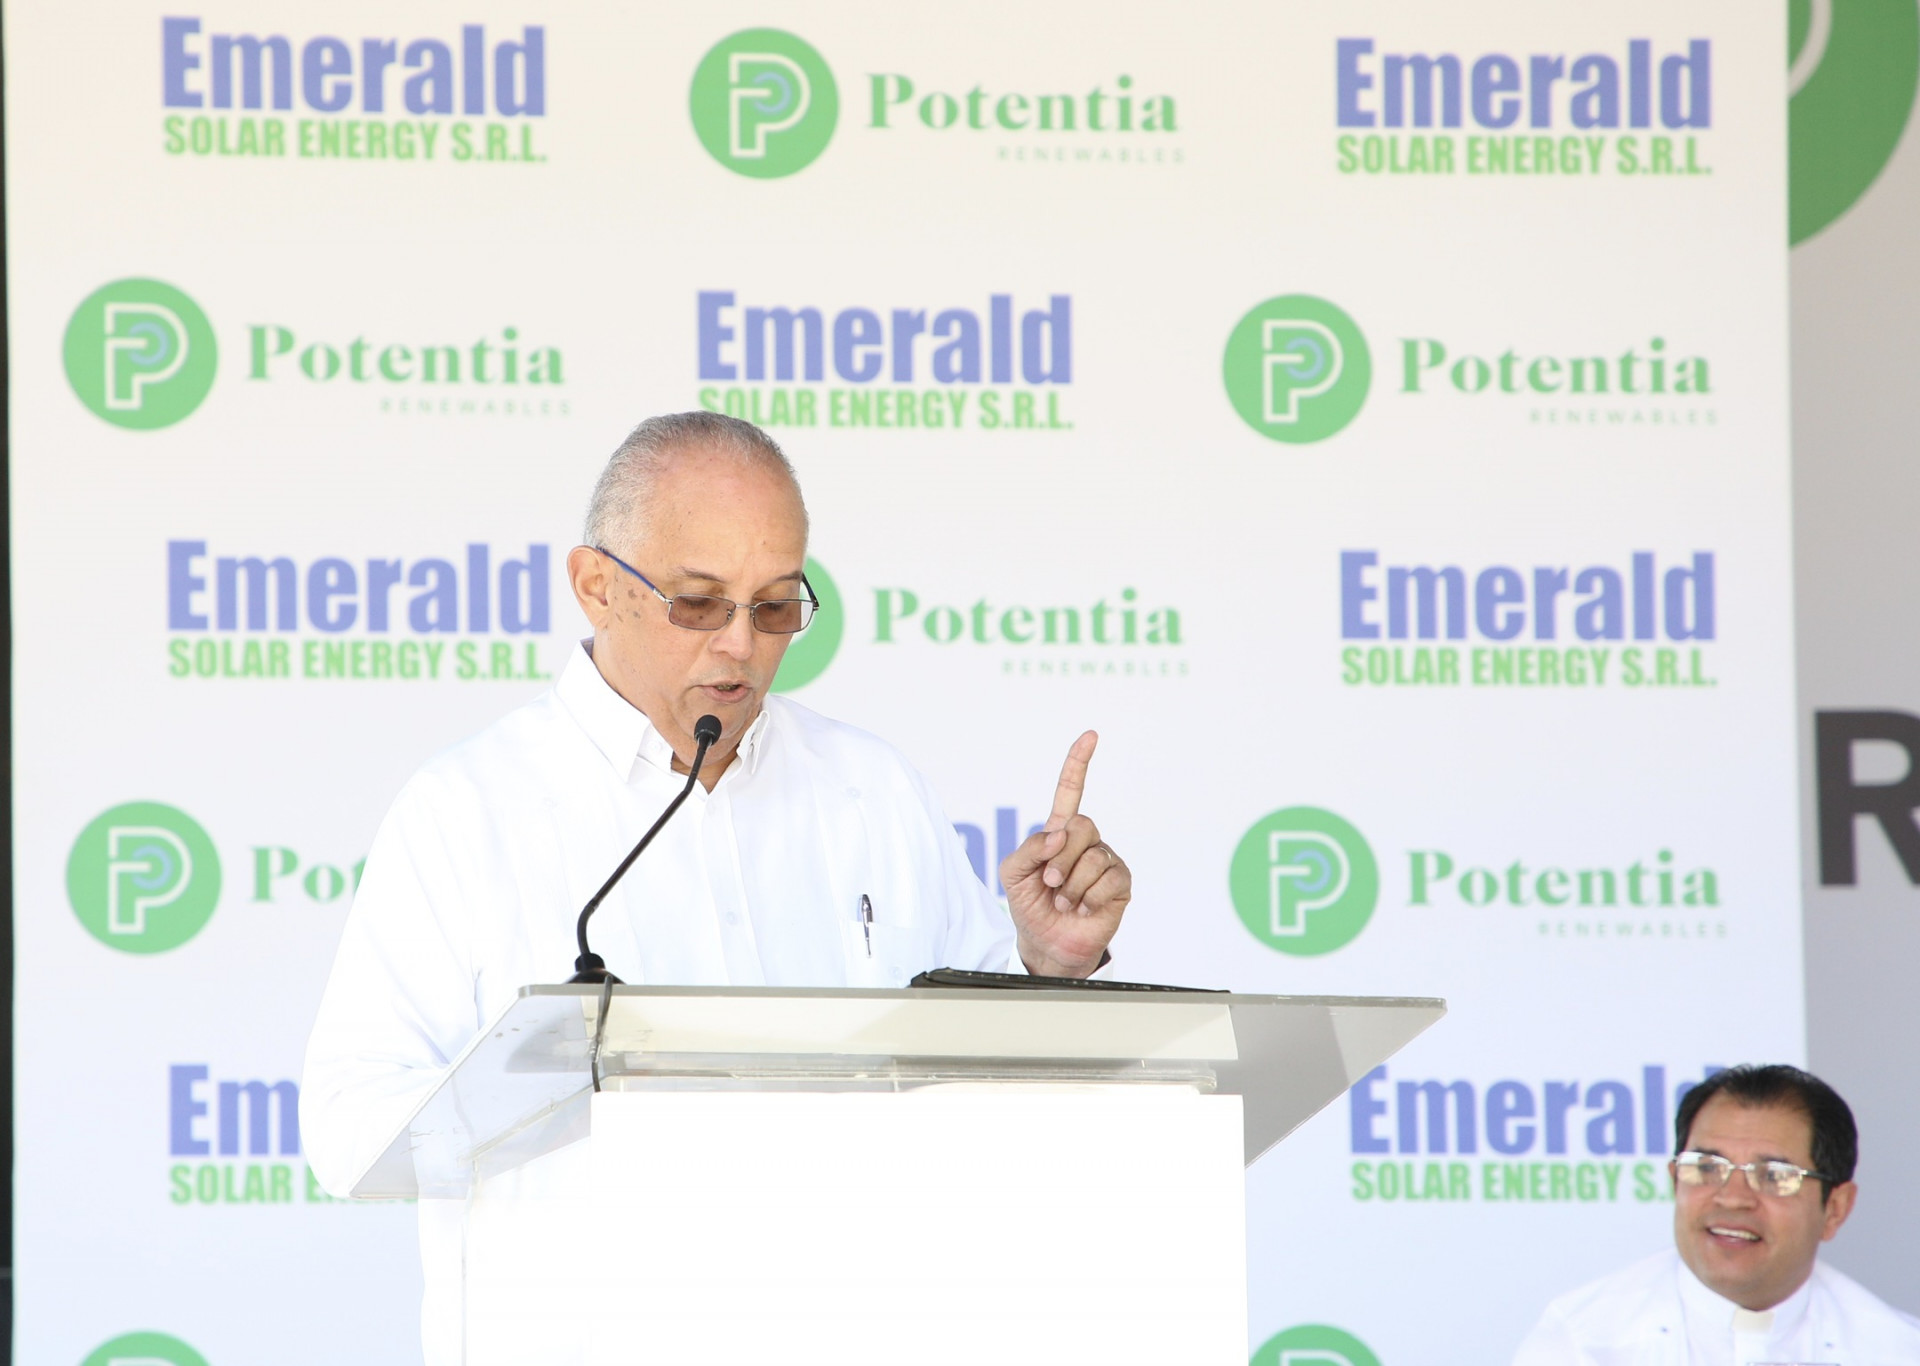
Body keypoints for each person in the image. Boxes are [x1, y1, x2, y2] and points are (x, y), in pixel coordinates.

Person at [300, 412, 1133, 1361]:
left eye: (774, 607)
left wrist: (1047, 967)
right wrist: (548, 1077)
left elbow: (995, 1076)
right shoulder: (468, 808)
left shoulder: (871, 788)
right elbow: (347, 1130)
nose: (740, 644)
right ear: (597, 586)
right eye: (699, 603)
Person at [1513, 1064, 1920, 1365]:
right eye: (1706, 1167)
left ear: (1835, 1209)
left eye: (1773, 1175)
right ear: (1675, 1182)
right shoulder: (1583, 1343)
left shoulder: (1896, 1351)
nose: (1732, 1198)